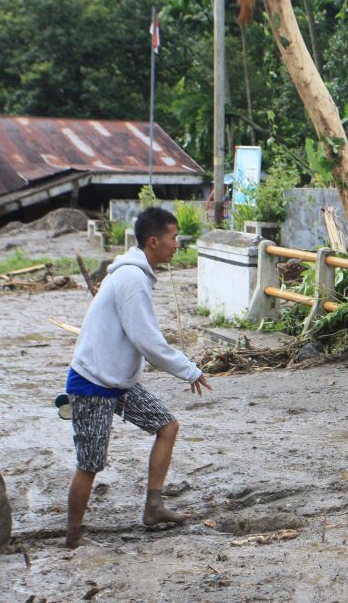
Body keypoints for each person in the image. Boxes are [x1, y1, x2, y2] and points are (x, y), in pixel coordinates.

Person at [64, 207, 212, 548]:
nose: (177, 245)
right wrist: (189, 371)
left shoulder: (137, 274)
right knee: (90, 464)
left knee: (167, 425)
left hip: (119, 381)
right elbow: (148, 342)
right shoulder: (132, 280)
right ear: (153, 241)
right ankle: (72, 538)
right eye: (174, 238)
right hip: (93, 382)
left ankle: (153, 507)